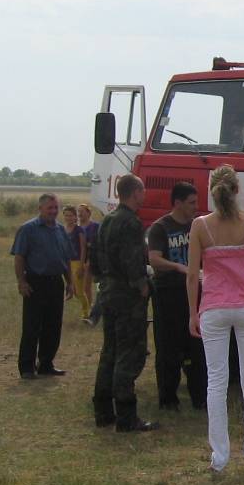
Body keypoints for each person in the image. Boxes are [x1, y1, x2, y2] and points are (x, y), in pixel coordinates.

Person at [188, 165, 244, 471]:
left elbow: (192, 275)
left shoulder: (200, 226)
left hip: (213, 308)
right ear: (238, 190)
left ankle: (220, 456)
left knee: (217, 382)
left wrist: (192, 312)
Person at [91, 175, 158, 433]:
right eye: (143, 190)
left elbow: (96, 259)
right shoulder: (130, 222)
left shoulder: (107, 219)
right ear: (135, 192)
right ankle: (127, 416)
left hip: (108, 292)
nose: (145, 195)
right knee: (129, 354)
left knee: (109, 352)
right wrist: (142, 286)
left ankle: (103, 411)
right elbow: (132, 260)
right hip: (127, 296)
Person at [147, 182, 209, 411]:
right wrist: (179, 267)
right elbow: (154, 259)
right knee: (168, 347)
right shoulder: (160, 228)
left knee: (196, 345)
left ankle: (200, 396)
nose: (196, 206)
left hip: (193, 293)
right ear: (178, 203)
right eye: (192, 203)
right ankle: (168, 398)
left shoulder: (197, 226)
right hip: (168, 293)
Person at [10, 194, 75, 380]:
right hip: (35, 282)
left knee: (53, 326)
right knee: (32, 326)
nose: (53, 211)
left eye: (56, 208)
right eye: (50, 208)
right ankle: (27, 367)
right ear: (40, 208)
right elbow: (19, 257)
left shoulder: (61, 230)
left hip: (56, 283)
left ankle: (46, 364)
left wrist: (69, 282)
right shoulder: (28, 229)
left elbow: (66, 258)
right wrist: (21, 282)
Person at [76, 204, 99, 323]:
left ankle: (89, 311)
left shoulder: (95, 226)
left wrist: (89, 261)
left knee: (86, 286)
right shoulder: (77, 227)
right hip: (78, 259)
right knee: (77, 287)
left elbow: (96, 244)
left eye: (82, 211)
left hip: (91, 258)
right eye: (78, 211)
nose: (80, 213)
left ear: (88, 213)